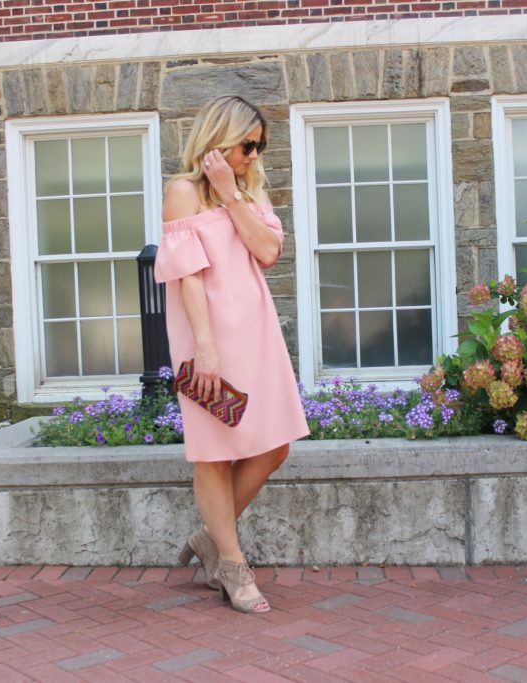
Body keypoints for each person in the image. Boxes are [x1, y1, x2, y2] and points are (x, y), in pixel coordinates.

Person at [153, 95, 310, 614]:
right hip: (208, 335)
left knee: (275, 444)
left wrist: (230, 193)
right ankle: (233, 565)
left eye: (259, 147)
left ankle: (210, 540)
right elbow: (188, 277)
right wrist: (204, 349)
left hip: (257, 331)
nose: (253, 154)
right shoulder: (180, 192)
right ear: (220, 137)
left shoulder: (247, 193)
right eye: (247, 144)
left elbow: (266, 251)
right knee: (215, 452)